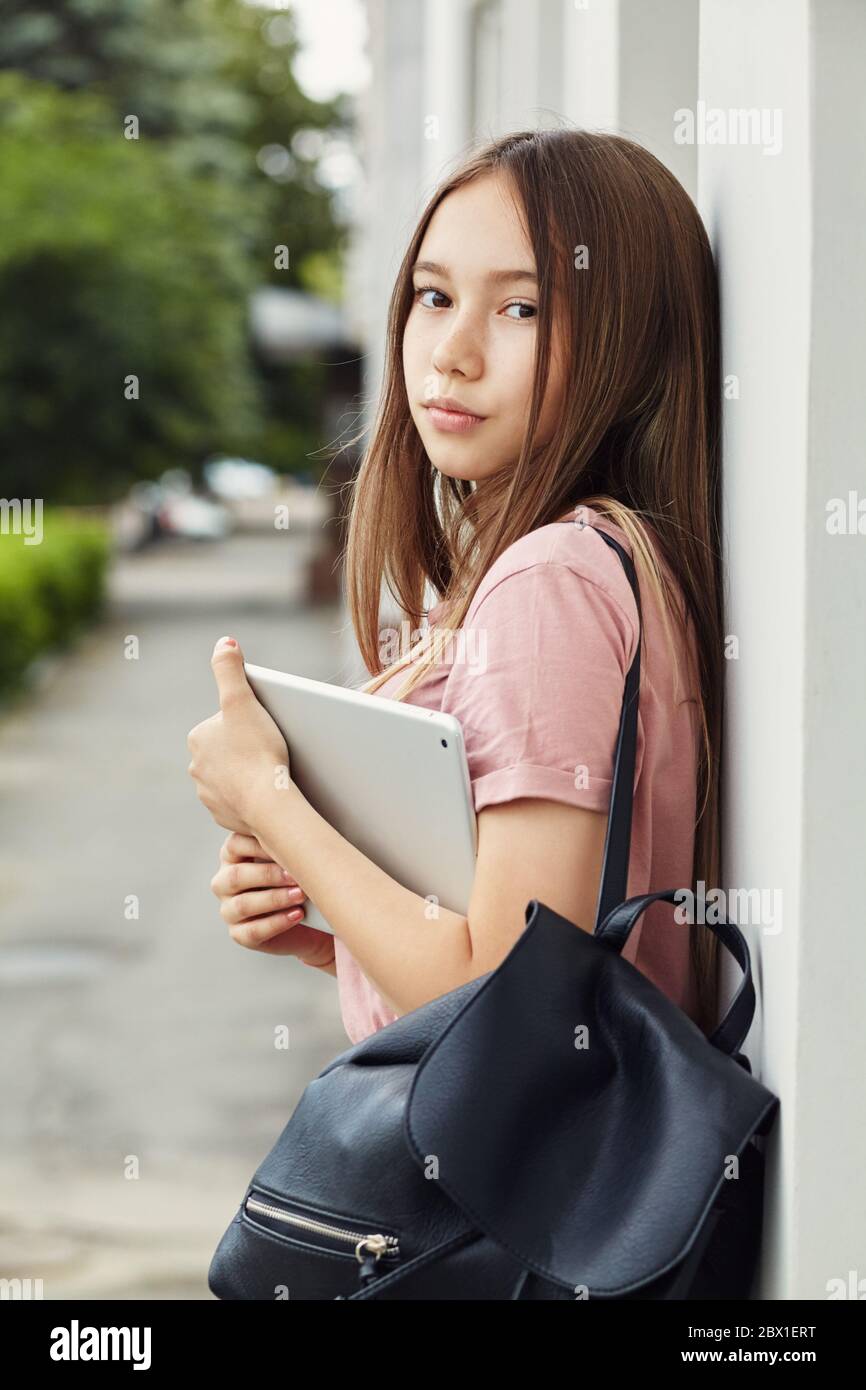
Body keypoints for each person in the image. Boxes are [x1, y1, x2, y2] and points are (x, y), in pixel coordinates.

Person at [187, 127, 724, 1044]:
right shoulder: (602, 560)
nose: (452, 353)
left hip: (521, 1185)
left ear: (628, 342)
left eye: (523, 310)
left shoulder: (552, 583)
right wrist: (336, 929)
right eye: (434, 297)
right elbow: (524, 959)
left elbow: (508, 1008)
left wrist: (267, 796)